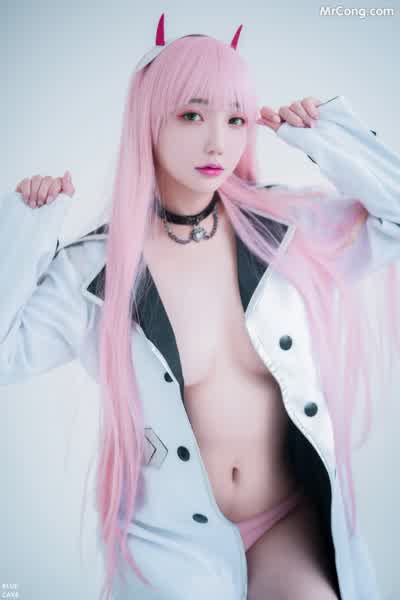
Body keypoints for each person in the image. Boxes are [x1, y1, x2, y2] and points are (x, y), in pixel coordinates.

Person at [4, 13, 400, 600]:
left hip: (286, 521)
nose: (218, 142)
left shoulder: (282, 226)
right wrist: (23, 233)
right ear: (150, 119)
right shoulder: (92, 270)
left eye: (235, 119)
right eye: (192, 115)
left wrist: (329, 136)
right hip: (171, 543)